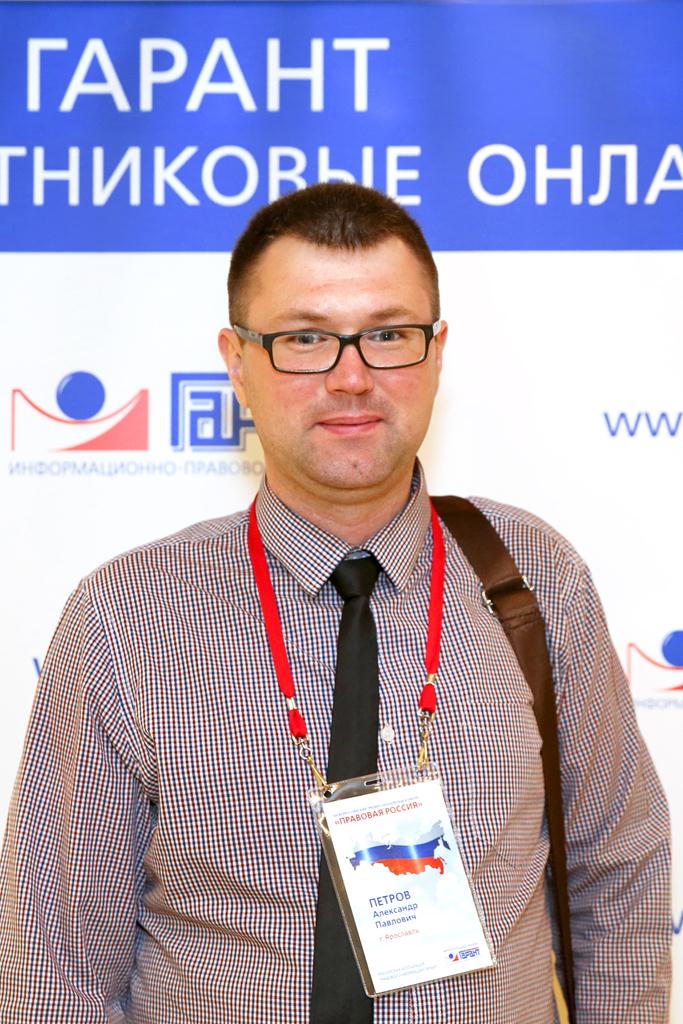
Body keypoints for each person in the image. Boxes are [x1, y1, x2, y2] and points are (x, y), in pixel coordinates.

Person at [0, 183, 671, 1023]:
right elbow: (56, 966)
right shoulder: (126, 617)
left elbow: (618, 876)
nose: (351, 378)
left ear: (435, 353)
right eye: (305, 339)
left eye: (387, 335)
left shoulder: (536, 578)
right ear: (236, 361)